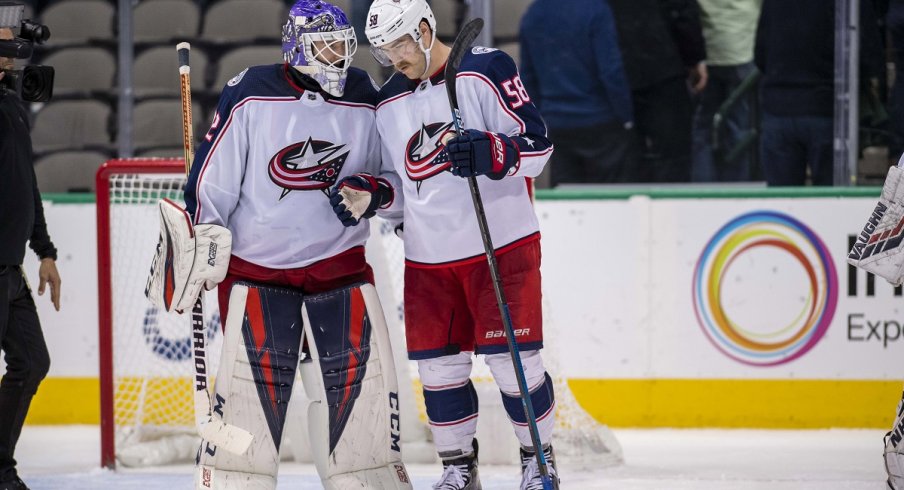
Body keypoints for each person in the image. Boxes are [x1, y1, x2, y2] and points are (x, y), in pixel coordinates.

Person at [145, 2, 412, 488]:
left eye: (342, 44)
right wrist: (202, 235)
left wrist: (374, 192)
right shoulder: (251, 93)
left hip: (340, 267)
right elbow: (214, 181)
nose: (339, 56)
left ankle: (364, 476)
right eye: (325, 46)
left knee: (356, 397)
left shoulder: (364, 95)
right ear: (296, 48)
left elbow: (397, 176)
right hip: (257, 272)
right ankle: (235, 478)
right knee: (249, 402)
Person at [332, 0, 558, 488]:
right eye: (384, 50)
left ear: (424, 27)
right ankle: (459, 470)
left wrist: (492, 150)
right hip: (428, 260)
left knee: (513, 365)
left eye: (400, 44)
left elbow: (538, 146)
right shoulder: (386, 101)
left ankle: (538, 463)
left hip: (501, 248)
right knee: (438, 373)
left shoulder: (486, 70)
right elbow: (402, 188)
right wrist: (373, 194)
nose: (394, 58)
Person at [0, 27, 59, 490]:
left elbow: (27, 183)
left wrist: (45, 250)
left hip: (10, 271)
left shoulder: (11, 104)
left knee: (32, 361)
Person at [755, 0, 882, 186]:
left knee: (781, 204)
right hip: (828, 108)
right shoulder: (848, 4)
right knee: (832, 204)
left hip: (779, 106)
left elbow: (760, 54)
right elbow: (867, 55)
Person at [520, 0, 637, 185]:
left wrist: (544, 115)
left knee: (569, 199)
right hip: (601, 119)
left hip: (557, 122)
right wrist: (626, 117)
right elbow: (611, 71)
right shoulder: (596, 9)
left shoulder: (533, 14)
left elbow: (528, 76)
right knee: (612, 199)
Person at [609, 0, 708, 183]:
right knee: (673, 157)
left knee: (624, 159)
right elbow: (683, 15)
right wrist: (694, 58)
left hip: (616, 72)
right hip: (664, 69)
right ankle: (672, 208)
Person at [691, 0, 761, 182]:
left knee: (703, 130)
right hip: (743, 50)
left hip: (708, 55)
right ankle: (737, 193)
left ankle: (702, 193)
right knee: (741, 130)